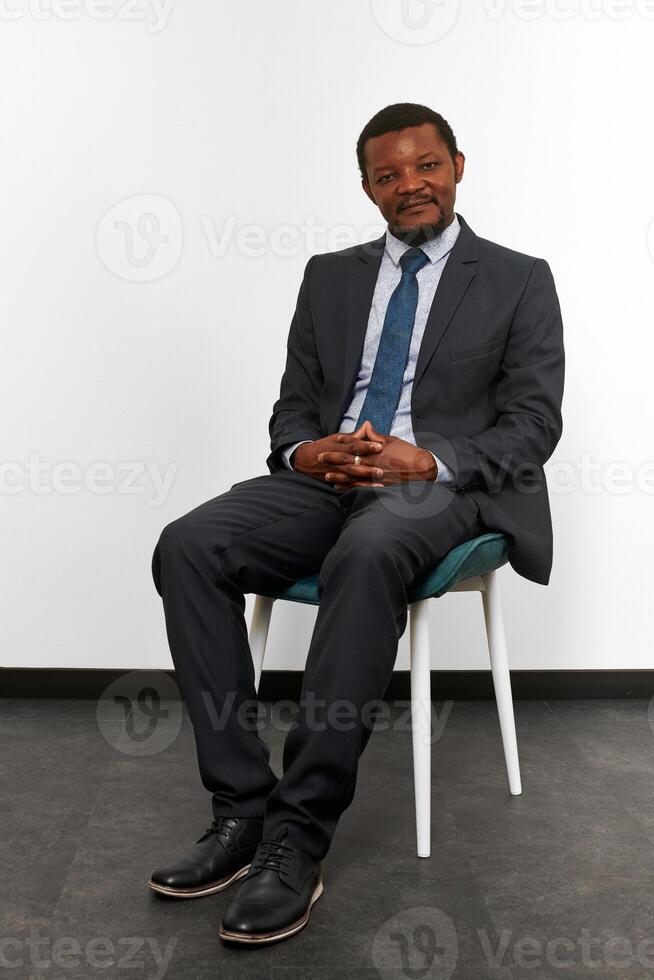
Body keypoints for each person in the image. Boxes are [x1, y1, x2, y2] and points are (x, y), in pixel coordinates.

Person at [148, 102, 565, 945]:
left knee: (371, 550)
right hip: (332, 478)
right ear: (368, 188)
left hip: (438, 487)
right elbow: (292, 412)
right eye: (388, 175)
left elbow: (533, 426)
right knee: (189, 544)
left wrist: (427, 460)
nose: (410, 185)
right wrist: (309, 455)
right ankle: (241, 812)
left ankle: (298, 839)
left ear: (457, 165)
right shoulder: (328, 276)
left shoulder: (520, 277)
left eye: (425, 166)